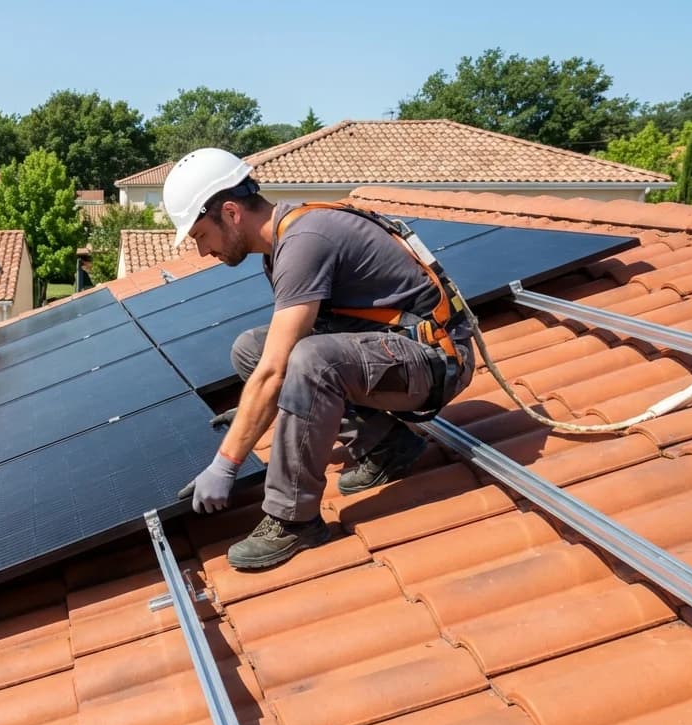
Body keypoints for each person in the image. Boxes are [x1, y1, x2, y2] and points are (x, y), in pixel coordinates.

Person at [165, 148, 475, 570]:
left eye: (201, 235)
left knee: (308, 360)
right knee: (251, 349)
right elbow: (273, 356)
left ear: (232, 213)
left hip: (435, 359)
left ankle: (293, 519)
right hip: (392, 349)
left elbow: (281, 368)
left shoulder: (304, 242)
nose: (202, 251)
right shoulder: (281, 246)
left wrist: (226, 464)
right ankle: (386, 445)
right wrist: (256, 411)